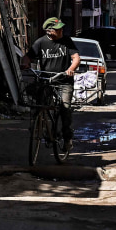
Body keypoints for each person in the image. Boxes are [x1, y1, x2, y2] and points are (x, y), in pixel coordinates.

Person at [21, 17, 80, 151]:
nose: (62, 30)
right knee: (38, 104)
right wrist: (25, 63)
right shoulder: (40, 43)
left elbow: (76, 58)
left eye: (61, 28)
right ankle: (37, 125)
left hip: (64, 82)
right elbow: (28, 56)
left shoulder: (66, 41)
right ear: (50, 31)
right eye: (58, 28)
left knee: (65, 109)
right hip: (46, 81)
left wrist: (70, 69)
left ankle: (67, 138)